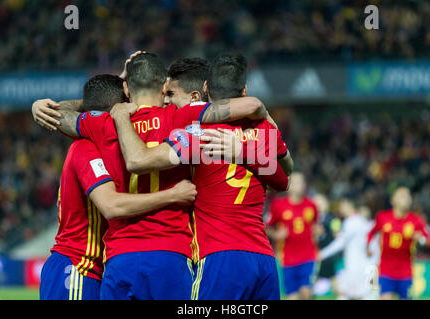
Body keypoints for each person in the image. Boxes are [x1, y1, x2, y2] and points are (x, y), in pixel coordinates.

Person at [33, 52, 270, 300]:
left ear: (126, 87)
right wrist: (262, 123)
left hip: (120, 256)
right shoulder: (182, 117)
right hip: (172, 254)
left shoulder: (105, 123)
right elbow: (249, 106)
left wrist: (39, 105)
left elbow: (63, 113)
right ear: (165, 85)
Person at [111, 53, 293, 300]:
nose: (167, 101)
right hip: (263, 259)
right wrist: (245, 151)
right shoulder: (265, 130)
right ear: (244, 90)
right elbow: (284, 180)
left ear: (205, 88)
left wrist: (124, 100)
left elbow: (140, 161)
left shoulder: (198, 134)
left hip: (219, 257)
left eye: (170, 96)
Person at [38, 74, 197, 300]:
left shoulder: (104, 142)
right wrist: (172, 195)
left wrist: (122, 85)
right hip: (77, 266)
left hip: (95, 268)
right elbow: (111, 205)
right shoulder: (85, 147)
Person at [367, 187, 430, 300]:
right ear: (392, 200)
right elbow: (370, 233)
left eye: (407, 196)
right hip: (386, 270)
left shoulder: (417, 221)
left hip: (405, 272)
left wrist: (421, 239)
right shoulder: (382, 217)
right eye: (402, 196)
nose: (406, 199)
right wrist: (369, 246)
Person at [266, 172, 320, 300]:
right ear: (289, 185)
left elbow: (316, 225)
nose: (299, 185)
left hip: (308, 255)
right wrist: (276, 234)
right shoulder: (278, 205)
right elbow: (266, 227)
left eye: (301, 182)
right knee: (292, 296)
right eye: (296, 182)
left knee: (306, 292)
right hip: (287, 258)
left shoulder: (311, 205)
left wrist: (318, 230)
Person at [317, 198, 379, 300]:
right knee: (368, 295)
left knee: (344, 295)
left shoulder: (350, 222)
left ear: (348, 206)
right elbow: (374, 246)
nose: (340, 210)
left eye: (342, 206)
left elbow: (340, 243)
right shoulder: (365, 222)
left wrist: (322, 254)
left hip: (354, 266)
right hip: (369, 266)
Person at [312, 193, 341, 297]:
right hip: (315, 254)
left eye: (320, 202)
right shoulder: (312, 219)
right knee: (313, 280)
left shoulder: (332, 219)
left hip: (328, 255)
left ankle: (342, 296)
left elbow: (339, 237)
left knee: (333, 279)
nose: (318, 205)